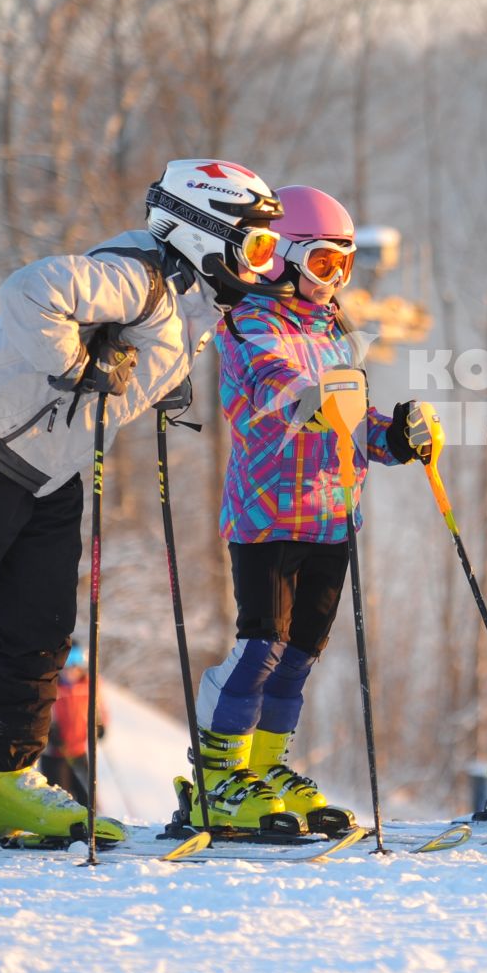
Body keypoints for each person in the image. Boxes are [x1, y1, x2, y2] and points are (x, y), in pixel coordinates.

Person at [0, 158, 282, 846]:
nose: (262, 264)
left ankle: (0, 777)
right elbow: (30, 292)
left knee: (39, 632)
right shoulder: (140, 275)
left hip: (48, 470)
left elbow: (135, 356)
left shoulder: (191, 300)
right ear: (203, 229)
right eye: (255, 244)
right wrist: (78, 366)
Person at [184, 184, 434, 834]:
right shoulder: (247, 322)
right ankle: (219, 774)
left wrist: (396, 435)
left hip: (331, 516)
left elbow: (350, 418)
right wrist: (315, 399)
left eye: (344, 266)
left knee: (300, 652)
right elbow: (273, 388)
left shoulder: (331, 330)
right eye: (324, 263)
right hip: (267, 514)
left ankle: (265, 766)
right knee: (261, 643)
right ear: (282, 259)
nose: (335, 280)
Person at [40, 646, 106, 806]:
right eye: (67, 666)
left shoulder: (89, 684)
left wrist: (100, 724)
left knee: (88, 796)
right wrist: (48, 731)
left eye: (75, 666)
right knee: (60, 798)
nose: (71, 671)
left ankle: (91, 825)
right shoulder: (51, 684)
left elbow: (100, 707)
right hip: (55, 753)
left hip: (78, 751)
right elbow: (41, 710)